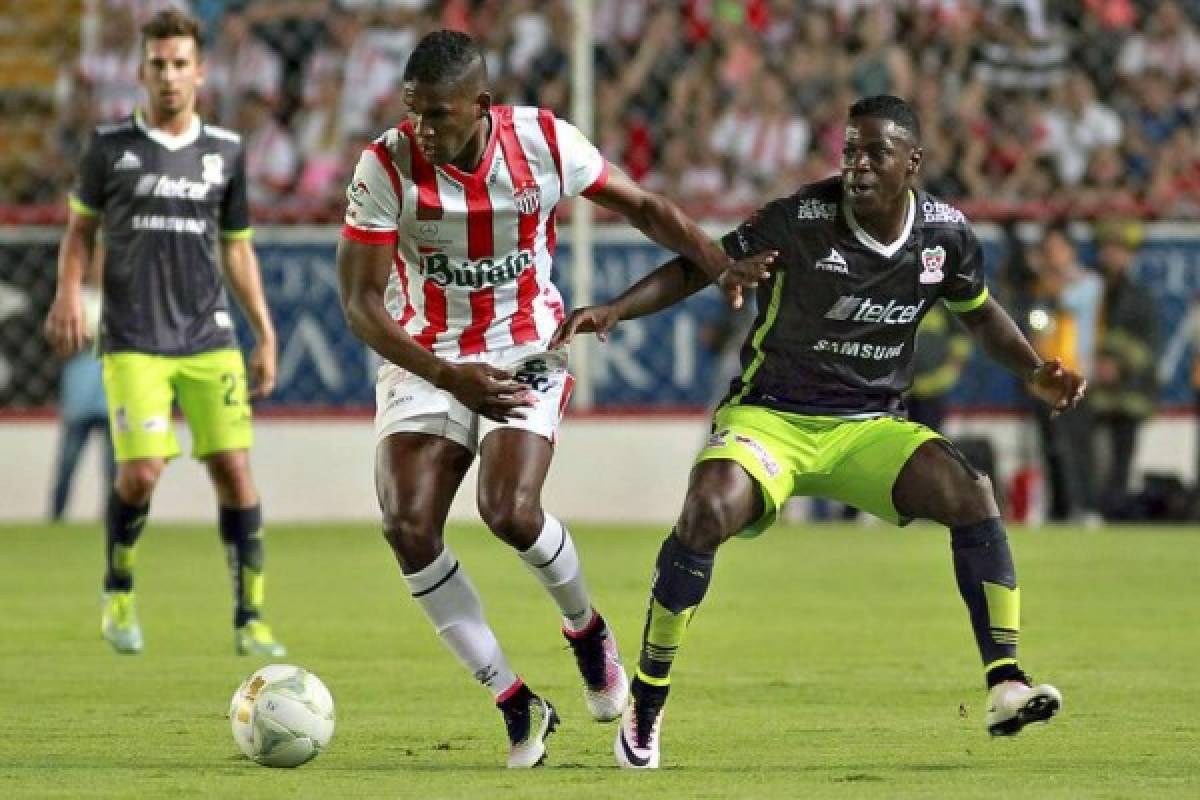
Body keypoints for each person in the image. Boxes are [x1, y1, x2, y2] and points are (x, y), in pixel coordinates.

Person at [554, 95, 1085, 769]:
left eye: (876, 153)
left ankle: (1006, 681)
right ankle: (646, 707)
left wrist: (1035, 370)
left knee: (971, 492)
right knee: (706, 510)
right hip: (770, 418)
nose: (858, 166)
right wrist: (617, 310)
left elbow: (980, 315)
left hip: (868, 428)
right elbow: (701, 263)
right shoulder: (800, 217)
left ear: (912, 162)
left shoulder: (946, 236)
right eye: (850, 151)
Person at [335, 30, 770, 769]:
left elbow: (644, 206)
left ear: (483, 106)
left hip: (525, 343)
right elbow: (360, 304)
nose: (423, 130)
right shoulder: (385, 165)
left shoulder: (541, 141)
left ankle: (586, 629)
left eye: (439, 115)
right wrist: (446, 376)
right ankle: (515, 701)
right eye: (414, 113)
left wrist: (720, 263)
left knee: (509, 511)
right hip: (428, 353)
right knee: (406, 525)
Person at [43, 10, 285, 658]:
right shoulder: (108, 147)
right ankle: (118, 586)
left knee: (235, 471)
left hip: (210, 335)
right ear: (140, 71)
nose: (170, 75)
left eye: (181, 64)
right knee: (141, 474)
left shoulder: (225, 152)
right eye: (159, 64)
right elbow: (78, 233)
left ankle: (251, 617)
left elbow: (238, 249)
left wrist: (264, 332)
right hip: (133, 335)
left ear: (200, 72)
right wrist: (69, 291)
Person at [1089, 220, 1159, 511]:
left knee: (1122, 458)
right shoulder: (1091, 290)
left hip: (1129, 391)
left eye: (1119, 249)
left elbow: (1149, 348)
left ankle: (1115, 509)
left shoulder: (1141, 298)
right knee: (1089, 455)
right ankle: (1090, 506)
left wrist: (1116, 365)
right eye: (1108, 248)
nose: (1112, 255)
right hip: (1091, 389)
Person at [48, 268, 115, 522]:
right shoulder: (73, 299)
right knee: (68, 461)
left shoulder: (124, 300)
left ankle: (112, 519)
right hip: (80, 394)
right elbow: (59, 346)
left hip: (113, 394)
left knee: (113, 467)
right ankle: (56, 516)